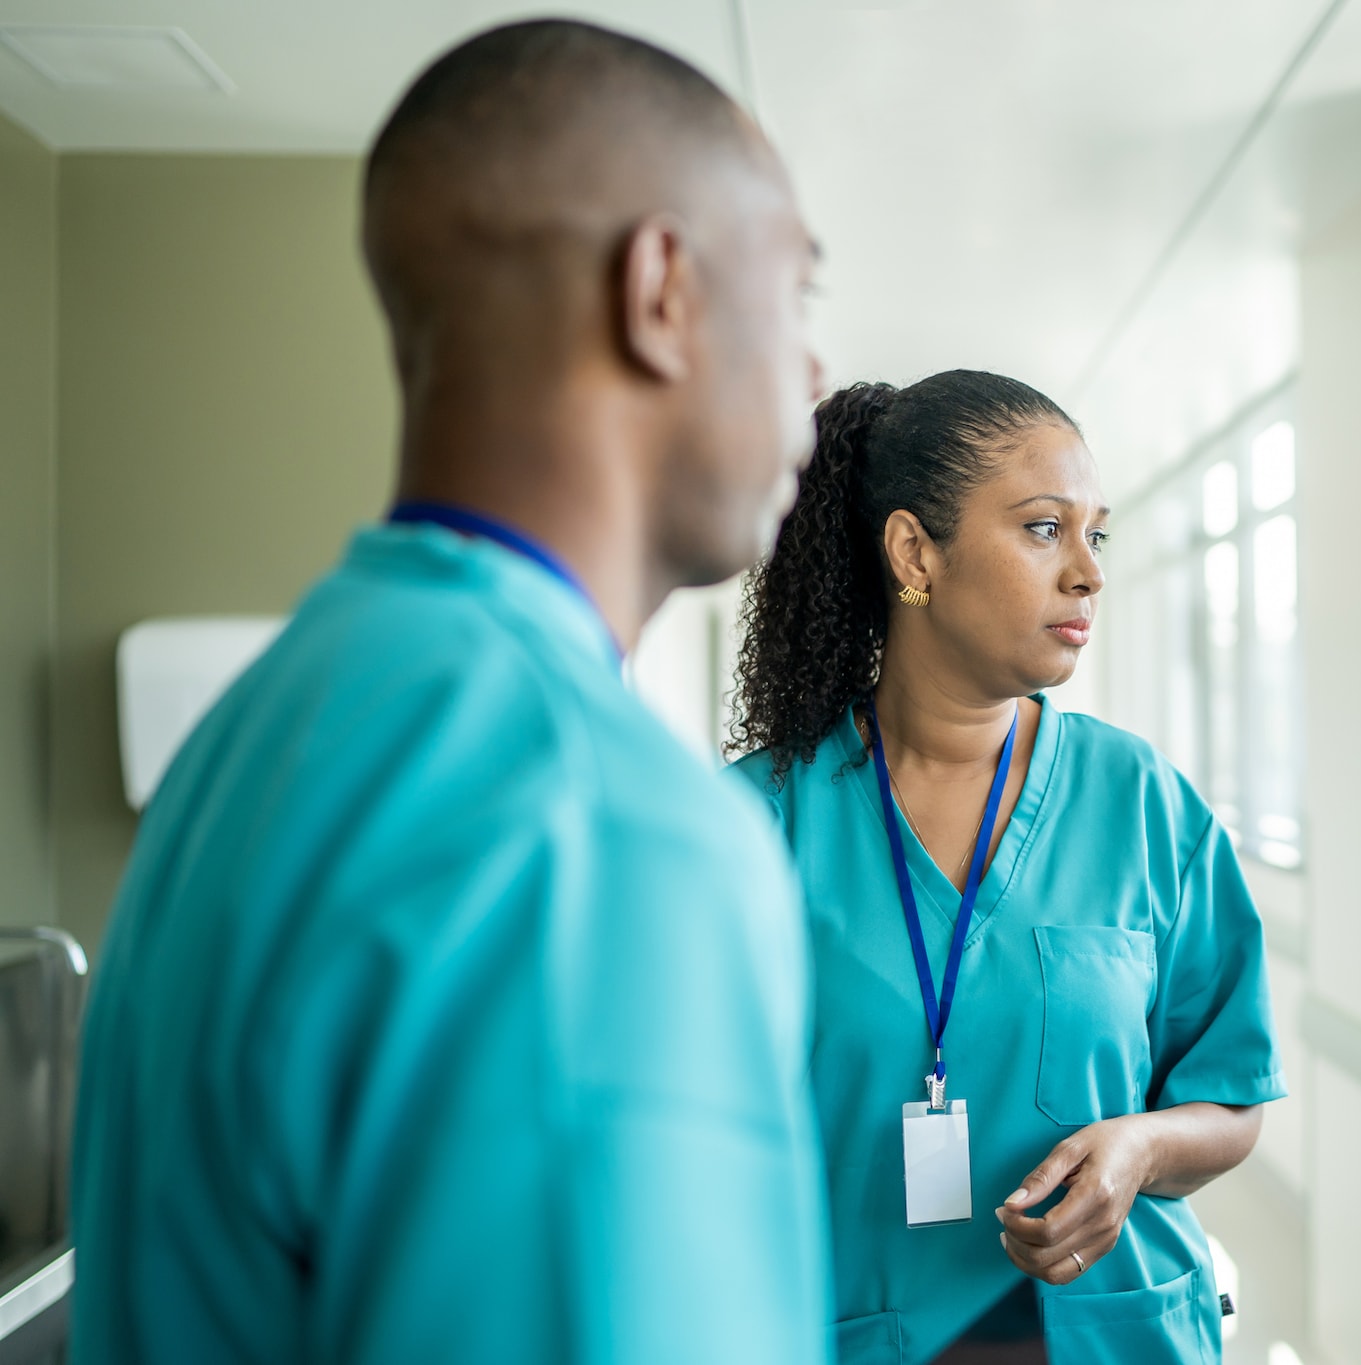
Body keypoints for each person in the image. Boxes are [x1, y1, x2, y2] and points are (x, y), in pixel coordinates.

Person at [70, 20, 829, 1363]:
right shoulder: (594, 829)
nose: (814, 379)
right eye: (798, 297)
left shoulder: (257, 741)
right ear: (662, 290)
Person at [726, 371, 1285, 1365]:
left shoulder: (1144, 805)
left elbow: (1232, 1094)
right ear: (913, 554)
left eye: (1094, 534)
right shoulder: (753, 828)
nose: (1087, 573)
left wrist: (1140, 1149)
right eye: (1041, 528)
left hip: (1114, 1334)